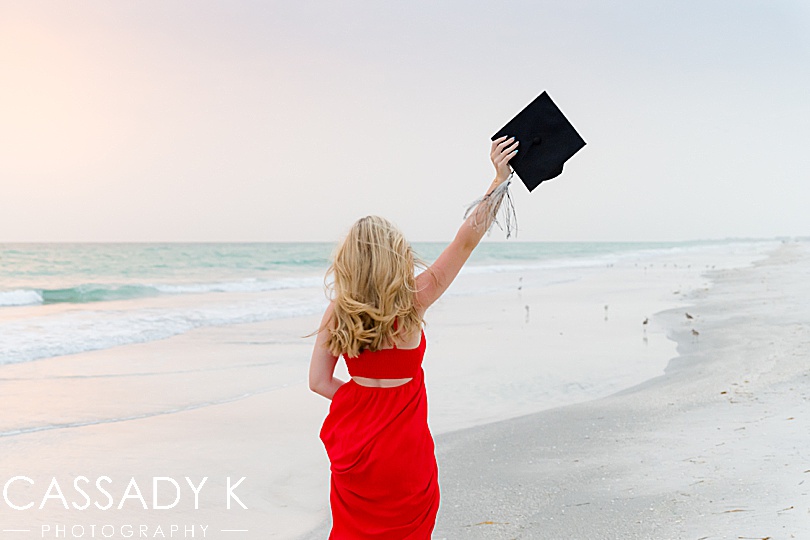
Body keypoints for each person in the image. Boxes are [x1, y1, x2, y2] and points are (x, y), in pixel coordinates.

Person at [308, 135, 519, 538]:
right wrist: (498, 177)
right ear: (396, 253)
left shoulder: (339, 311)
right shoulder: (415, 300)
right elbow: (466, 240)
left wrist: (364, 401)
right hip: (406, 453)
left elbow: (318, 382)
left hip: (358, 450)